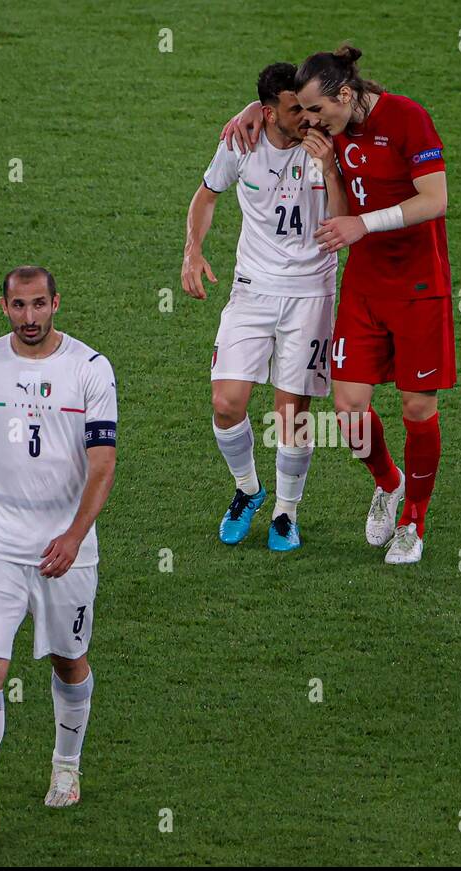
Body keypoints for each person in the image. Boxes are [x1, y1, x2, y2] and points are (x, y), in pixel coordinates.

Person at [220, 45, 453, 564]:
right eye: (303, 113)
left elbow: (435, 200)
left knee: (417, 407)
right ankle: (388, 483)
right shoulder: (332, 123)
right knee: (347, 412)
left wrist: (363, 225)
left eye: (318, 112)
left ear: (344, 95)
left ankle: (414, 518)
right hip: (365, 285)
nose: (310, 124)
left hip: (419, 287)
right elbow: (285, 95)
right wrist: (249, 111)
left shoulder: (408, 118)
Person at [0, 265, 118, 841]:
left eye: (39, 305)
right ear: (4, 308)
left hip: (66, 549)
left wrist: (73, 536)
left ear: (56, 303)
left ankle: (66, 765)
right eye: (19, 306)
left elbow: (103, 466)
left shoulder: (90, 369)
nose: (30, 318)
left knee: (69, 661)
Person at [184, 62, 347, 551]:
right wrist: (192, 249)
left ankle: (285, 512)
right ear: (270, 111)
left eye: (310, 106)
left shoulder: (328, 142)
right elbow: (206, 195)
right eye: (295, 109)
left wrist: (331, 168)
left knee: (290, 415)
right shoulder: (242, 142)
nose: (309, 117)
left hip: (312, 293)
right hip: (252, 289)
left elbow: (344, 223)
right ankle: (248, 490)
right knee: (225, 403)